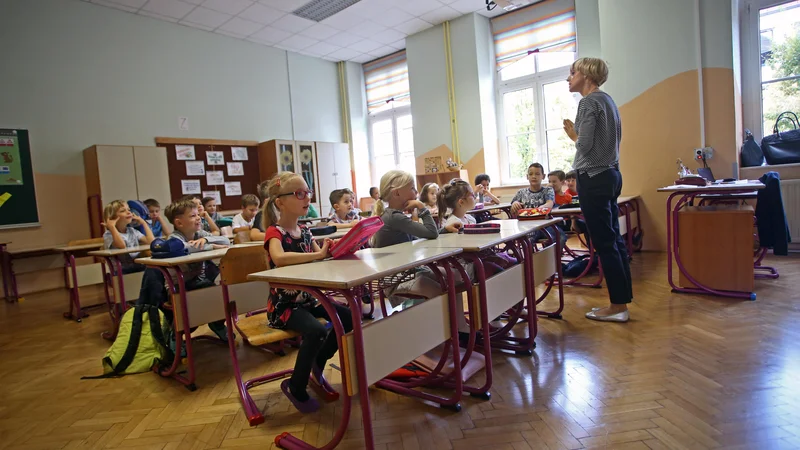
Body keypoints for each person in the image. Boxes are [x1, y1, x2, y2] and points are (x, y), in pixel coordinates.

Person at [260, 172, 353, 413]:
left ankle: (317, 364)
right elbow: (279, 258)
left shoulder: (306, 231)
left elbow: (320, 259)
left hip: (309, 300)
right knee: (316, 330)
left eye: (308, 193)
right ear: (280, 202)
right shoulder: (275, 232)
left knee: (348, 317)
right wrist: (317, 255)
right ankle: (296, 386)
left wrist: (331, 251)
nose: (307, 198)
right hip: (284, 307)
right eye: (299, 194)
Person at [563, 57, 632, 322]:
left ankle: (617, 307)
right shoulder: (608, 101)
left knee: (603, 242)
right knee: (614, 240)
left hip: (593, 175)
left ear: (587, 75)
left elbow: (585, 146)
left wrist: (573, 137)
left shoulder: (588, 102)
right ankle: (621, 301)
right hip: (611, 174)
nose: (569, 78)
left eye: (573, 73)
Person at [103, 200, 155, 273]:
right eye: (123, 211)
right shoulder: (108, 234)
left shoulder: (132, 231)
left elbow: (151, 241)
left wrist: (143, 223)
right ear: (112, 217)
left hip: (138, 266)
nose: (129, 212)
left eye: (129, 209)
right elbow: (121, 246)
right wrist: (112, 227)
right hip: (121, 271)